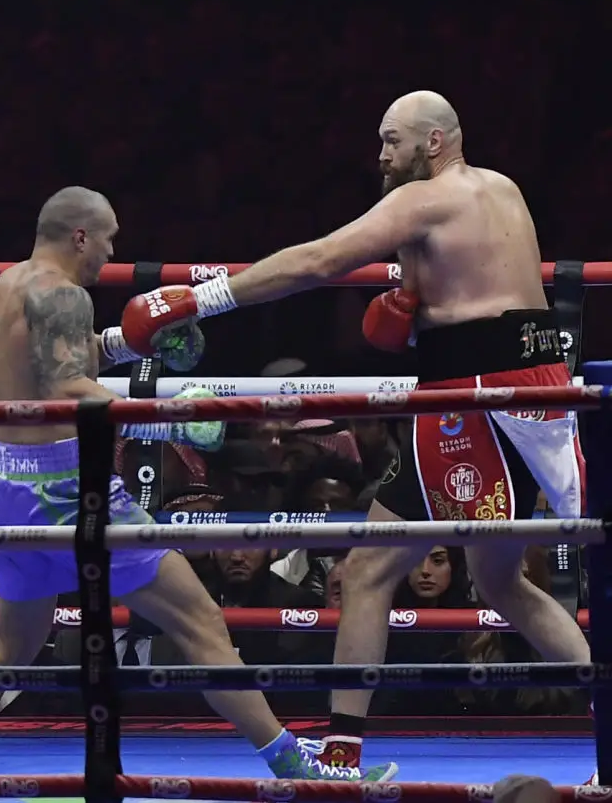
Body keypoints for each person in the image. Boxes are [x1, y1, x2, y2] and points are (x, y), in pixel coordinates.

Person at [120, 90, 591, 774]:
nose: (382, 155)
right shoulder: (502, 190)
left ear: (434, 142)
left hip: (472, 400)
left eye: (392, 140)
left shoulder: (424, 199)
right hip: (527, 385)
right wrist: (411, 309)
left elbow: (318, 261)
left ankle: (342, 754)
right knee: (501, 584)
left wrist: (201, 297)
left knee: (371, 569)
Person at [0, 186, 397, 786]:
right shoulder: (65, 295)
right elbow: (65, 389)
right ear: (81, 236)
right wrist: (169, 419)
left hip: (4, 481)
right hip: (67, 486)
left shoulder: (9, 285)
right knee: (200, 622)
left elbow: (50, 364)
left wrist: (130, 342)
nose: (111, 253)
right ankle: (297, 767)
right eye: (108, 239)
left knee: (12, 645)